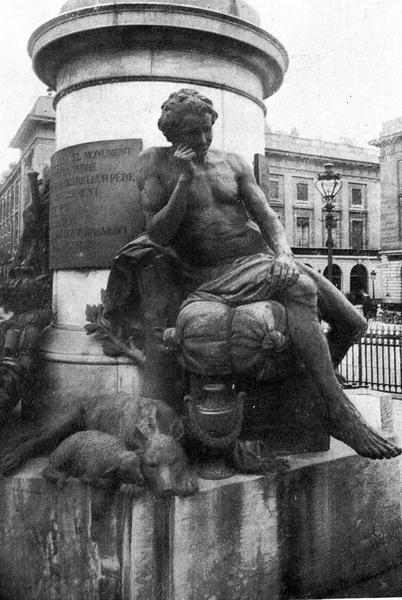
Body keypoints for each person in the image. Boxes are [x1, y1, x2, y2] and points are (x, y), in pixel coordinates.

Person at [133, 88, 399, 460]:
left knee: (353, 323)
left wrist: (285, 254)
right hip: (208, 277)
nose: (204, 140)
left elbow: (268, 217)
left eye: (208, 130)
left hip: (256, 262)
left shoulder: (233, 163)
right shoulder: (155, 163)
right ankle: (339, 411)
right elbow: (157, 234)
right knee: (300, 286)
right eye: (193, 133)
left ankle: (316, 398)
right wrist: (182, 182)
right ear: (173, 132)